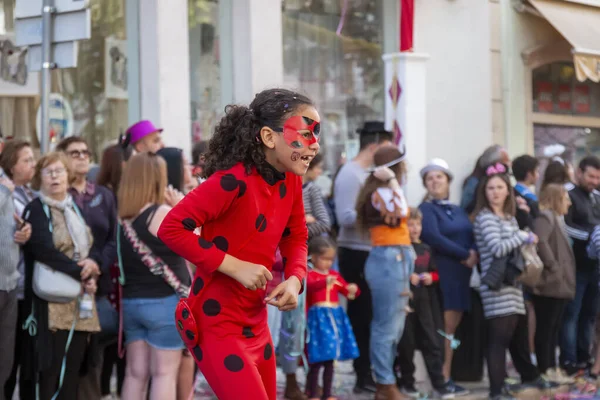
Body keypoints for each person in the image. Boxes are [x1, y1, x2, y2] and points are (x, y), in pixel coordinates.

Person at [157, 88, 318, 400]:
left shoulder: (291, 179)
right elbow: (171, 228)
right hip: (216, 325)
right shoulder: (232, 180)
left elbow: (296, 235)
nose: (315, 144)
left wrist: (296, 279)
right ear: (270, 137)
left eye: (316, 133)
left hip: (255, 321)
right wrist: (234, 266)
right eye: (306, 133)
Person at [21, 152, 102, 400]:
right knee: (49, 371)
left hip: (80, 300)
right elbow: (43, 250)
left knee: (73, 370)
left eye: (60, 170)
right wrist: (82, 272)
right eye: (49, 171)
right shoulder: (36, 209)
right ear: (39, 178)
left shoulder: (73, 207)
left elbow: (90, 244)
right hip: (51, 302)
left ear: (69, 175)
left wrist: (93, 265)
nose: (55, 176)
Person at [472, 162, 553, 399]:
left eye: (499, 187)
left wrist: (525, 237)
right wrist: (522, 236)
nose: (495, 192)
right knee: (498, 340)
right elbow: (497, 248)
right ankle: (496, 391)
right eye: (490, 188)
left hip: (513, 283)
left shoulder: (509, 217)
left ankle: (507, 384)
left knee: (510, 339)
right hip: (496, 285)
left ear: (508, 190)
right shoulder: (485, 218)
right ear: (484, 193)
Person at [117, 153, 190, 400]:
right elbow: (198, 243)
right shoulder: (159, 214)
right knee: (164, 374)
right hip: (164, 303)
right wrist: (182, 207)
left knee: (134, 374)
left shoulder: (123, 217)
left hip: (131, 304)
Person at [55, 136, 119, 400]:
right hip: (64, 288)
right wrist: (78, 269)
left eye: (85, 152)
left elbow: (113, 238)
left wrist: (96, 264)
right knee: (66, 359)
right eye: (74, 153)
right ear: (62, 158)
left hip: (97, 287)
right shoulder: (56, 195)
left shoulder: (103, 195)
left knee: (94, 358)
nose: (82, 156)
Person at [333, 121, 393, 393]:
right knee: (362, 316)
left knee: (376, 315)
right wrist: (379, 215)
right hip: (355, 252)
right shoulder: (350, 173)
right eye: (386, 147)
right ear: (374, 145)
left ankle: (375, 372)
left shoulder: (368, 173)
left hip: (373, 250)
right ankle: (362, 375)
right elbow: (345, 217)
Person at [356, 145, 412, 400]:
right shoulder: (382, 191)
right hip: (390, 257)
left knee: (394, 325)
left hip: (394, 257)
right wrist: (391, 181)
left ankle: (385, 384)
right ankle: (385, 383)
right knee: (387, 326)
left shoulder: (380, 192)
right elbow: (401, 210)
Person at [418, 158, 475, 392]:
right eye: (429, 178)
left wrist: (474, 254)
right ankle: (441, 380)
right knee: (444, 329)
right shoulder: (426, 209)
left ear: (448, 180)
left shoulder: (458, 209)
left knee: (451, 330)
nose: (434, 181)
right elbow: (432, 236)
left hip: (461, 276)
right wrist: (464, 254)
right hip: (444, 274)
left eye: (439, 176)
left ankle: (447, 376)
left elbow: (471, 234)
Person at [396, 208, 456, 399]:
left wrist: (431, 277)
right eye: (410, 224)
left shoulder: (426, 249)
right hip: (405, 304)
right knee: (406, 344)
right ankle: (407, 383)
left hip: (425, 304)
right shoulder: (400, 248)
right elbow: (393, 273)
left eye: (417, 224)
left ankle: (439, 384)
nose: (415, 229)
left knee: (431, 342)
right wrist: (407, 277)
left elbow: (436, 273)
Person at [0, 140, 36, 400]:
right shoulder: (5, 188)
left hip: (11, 283)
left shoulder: (20, 192)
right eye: (27, 160)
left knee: (6, 360)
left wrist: (24, 231)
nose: (33, 165)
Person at [531, 184, 575, 383]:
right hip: (549, 284)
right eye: (566, 198)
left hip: (558, 285)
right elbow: (541, 242)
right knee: (546, 328)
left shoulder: (558, 219)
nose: (569, 202)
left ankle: (551, 367)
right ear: (556, 198)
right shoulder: (545, 217)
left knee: (553, 327)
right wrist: (554, 267)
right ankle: (545, 368)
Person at [560, 156, 600, 375]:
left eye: (597, 178)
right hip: (575, 265)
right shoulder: (569, 194)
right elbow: (565, 226)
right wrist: (591, 236)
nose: (594, 181)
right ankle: (569, 360)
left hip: (596, 266)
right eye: (591, 176)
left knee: (590, 315)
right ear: (579, 173)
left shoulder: (597, 197)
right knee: (571, 314)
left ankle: (585, 358)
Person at [305, 236, 359, 400]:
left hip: (334, 319)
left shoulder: (334, 275)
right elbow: (309, 287)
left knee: (330, 359)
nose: (328, 263)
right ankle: (312, 392)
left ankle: (328, 393)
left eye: (331, 259)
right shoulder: (310, 274)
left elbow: (347, 292)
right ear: (313, 257)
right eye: (324, 258)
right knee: (316, 359)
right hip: (318, 321)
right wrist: (324, 282)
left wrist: (352, 289)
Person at [511, 154, 540, 366]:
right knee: (526, 307)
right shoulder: (522, 197)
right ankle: (528, 353)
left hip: (525, 256)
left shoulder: (525, 196)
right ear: (530, 173)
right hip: (522, 258)